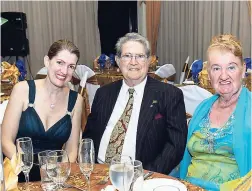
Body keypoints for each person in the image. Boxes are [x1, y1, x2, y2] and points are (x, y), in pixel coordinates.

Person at [83, 32, 187, 174]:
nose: (133, 62)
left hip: (142, 174)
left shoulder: (169, 94)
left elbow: (176, 145)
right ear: (118, 61)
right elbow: (89, 136)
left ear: (148, 61)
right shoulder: (103, 93)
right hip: (98, 172)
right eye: (127, 56)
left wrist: (146, 175)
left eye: (140, 56)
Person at [1, 39, 83, 181]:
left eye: (71, 66)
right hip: (19, 172)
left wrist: (58, 174)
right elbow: (5, 141)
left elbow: (71, 150)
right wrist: (28, 169)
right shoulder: (23, 89)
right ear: (47, 61)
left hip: (55, 176)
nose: (64, 71)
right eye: (60, 62)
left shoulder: (76, 100)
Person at [179, 34, 251, 191]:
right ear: (209, 74)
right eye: (216, 68)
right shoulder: (202, 108)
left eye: (231, 67)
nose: (224, 76)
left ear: (243, 69)